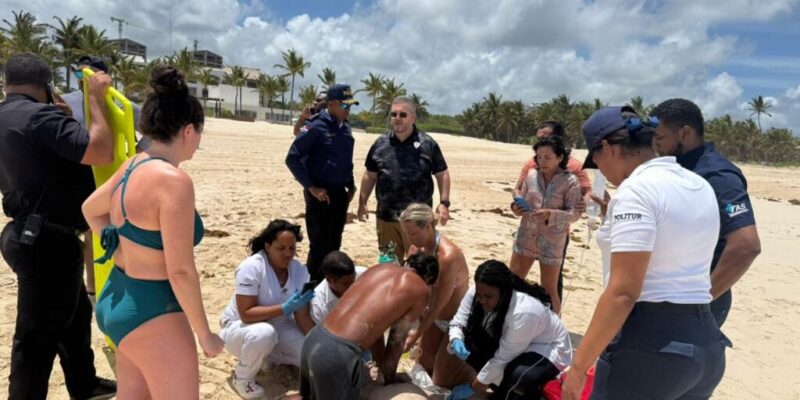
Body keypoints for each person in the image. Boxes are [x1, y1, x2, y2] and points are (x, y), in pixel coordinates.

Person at [562, 106, 730, 400]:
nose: (601, 171)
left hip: (651, 346)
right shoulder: (697, 183)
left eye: (597, 161)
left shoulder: (636, 190)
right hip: (705, 343)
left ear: (608, 148)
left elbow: (623, 293)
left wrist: (578, 368)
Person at [82, 65, 224, 399]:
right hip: (153, 310)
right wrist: (205, 334)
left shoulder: (133, 164)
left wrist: (118, 249)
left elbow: (90, 209)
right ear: (188, 131)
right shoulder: (173, 182)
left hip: (117, 299)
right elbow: (180, 271)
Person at [0, 53, 117, 400]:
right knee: (35, 337)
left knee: (75, 314)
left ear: (7, 84)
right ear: (46, 86)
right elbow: (100, 151)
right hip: (48, 240)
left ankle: (84, 383)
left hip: (26, 233)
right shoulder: (40, 116)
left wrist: (63, 122)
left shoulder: (9, 116)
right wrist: (95, 98)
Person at [651, 98, 761, 327]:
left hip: (700, 298)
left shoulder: (718, 175)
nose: (655, 144)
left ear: (685, 133)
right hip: (670, 293)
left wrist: (702, 301)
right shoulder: (678, 168)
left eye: (660, 137)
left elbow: (746, 245)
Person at [300, 254, 439, 400]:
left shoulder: (380, 268)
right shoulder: (421, 290)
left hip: (313, 340)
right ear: (428, 279)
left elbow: (375, 330)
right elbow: (397, 339)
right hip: (338, 354)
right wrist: (390, 377)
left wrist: (380, 365)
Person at [63, 55, 144, 303]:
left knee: (104, 232)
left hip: (113, 174)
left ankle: (100, 286)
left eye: (89, 74)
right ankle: (91, 288)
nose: (84, 80)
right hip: (76, 176)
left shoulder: (121, 103)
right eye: (79, 74)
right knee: (84, 234)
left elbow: (154, 130)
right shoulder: (65, 102)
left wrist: (138, 155)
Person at [446, 260, 572, 400]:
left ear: (504, 292)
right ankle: (503, 390)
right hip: (513, 344)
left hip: (546, 348)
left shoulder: (524, 311)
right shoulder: (477, 291)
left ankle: (532, 394)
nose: (482, 301)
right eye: (480, 295)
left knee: (518, 376)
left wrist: (472, 388)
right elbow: (458, 321)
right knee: (467, 340)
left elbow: (501, 360)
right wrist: (456, 338)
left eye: (488, 297)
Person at [218, 220, 313, 399]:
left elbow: (303, 317)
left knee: (312, 353)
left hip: (279, 326)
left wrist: (323, 342)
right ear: (268, 246)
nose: (288, 254)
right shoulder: (252, 267)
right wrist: (284, 308)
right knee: (264, 334)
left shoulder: (298, 270)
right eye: (281, 248)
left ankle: (267, 358)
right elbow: (246, 314)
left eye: (292, 248)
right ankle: (243, 378)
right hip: (241, 329)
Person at [358, 96, 451, 263]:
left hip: (419, 221)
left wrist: (444, 203)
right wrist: (362, 202)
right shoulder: (380, 144)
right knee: (389, 265)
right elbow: (370, 175)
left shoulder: (427, 144)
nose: (397, 118)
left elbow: (442, 173)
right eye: (393, 114)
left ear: (413, 117)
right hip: (387, 218)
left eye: (403, 114)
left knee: (420, 266)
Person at [286, 84, 359, 281]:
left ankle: (330, 284)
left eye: (350, 105)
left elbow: (346, 160)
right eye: (345, 105)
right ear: (332, 104)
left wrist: (351, 186)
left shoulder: (346, 127)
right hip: (320, 194)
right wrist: (311, 187)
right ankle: (313, 286)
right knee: (319, 246)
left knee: (335, 243)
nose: (348, 109)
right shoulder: (315, 126)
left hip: (340, 194)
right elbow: (292, 158)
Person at [513, 121, 591, 301]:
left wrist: (581, 205)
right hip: (527, 234)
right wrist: (516, 206)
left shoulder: (573, 172)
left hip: (555, 236)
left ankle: (552, 318)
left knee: (551, 286)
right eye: (539, 156)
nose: (542, 160)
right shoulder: (531, 170)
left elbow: (585, 193)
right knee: (513, 280)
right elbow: (518, 191)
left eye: (546, 137)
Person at [397, 203, 469, 385]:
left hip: (456, 321)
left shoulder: (448, 256)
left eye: (413, 233)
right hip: (433, 318)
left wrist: (416, 334)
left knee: (441, 380)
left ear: (428, 226)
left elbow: (439, 303)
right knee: (424, 367)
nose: (409, 239)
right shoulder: (415, 250)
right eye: (407, 234)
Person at [295, 250, 366, 334]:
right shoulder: (319, 304)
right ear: (330, 280)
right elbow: (324, 336)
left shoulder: (365, 275)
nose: (352, 286)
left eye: (353, 280)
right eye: (346, 284)